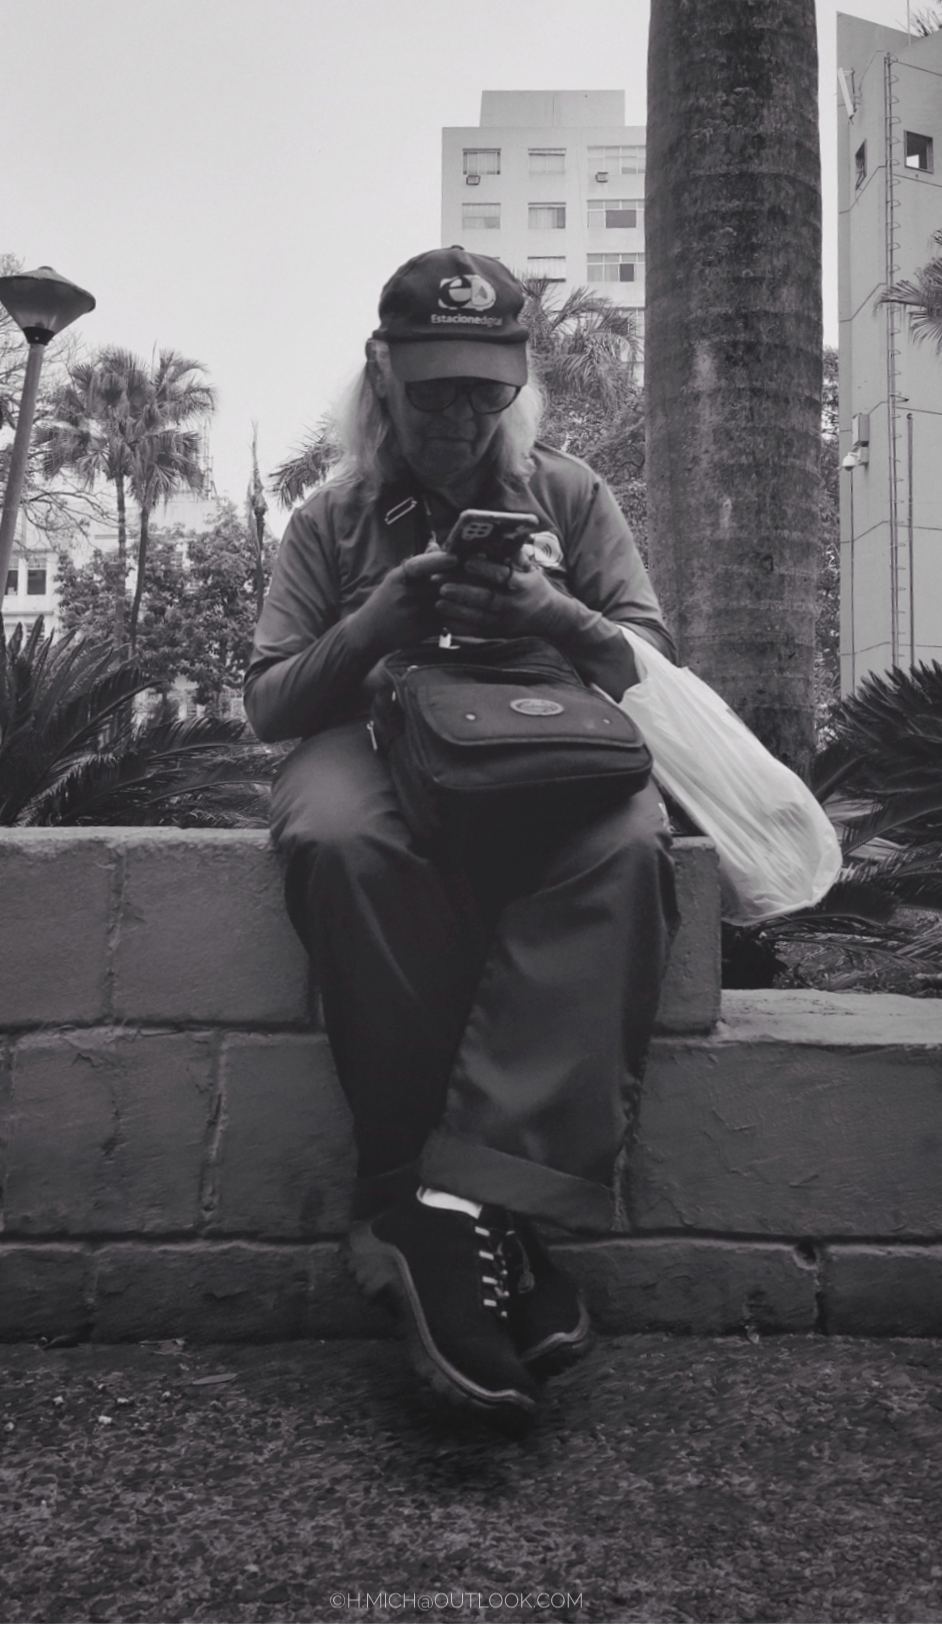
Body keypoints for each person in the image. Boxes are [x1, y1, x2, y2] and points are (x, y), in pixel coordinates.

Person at [244, 246, 678, 1424]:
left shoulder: (572, 495)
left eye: (484, 392)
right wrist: (376, 622)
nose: (457, 416)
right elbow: (270, 701)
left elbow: (648, 660)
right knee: (342, 839)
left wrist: (549, 609)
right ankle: (448, 1206)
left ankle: (465, 1205)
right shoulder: (331, 517)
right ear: (381, 375)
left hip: (543, 733)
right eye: (434, 389)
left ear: (517, 384)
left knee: (626, 846)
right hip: (373, 733)